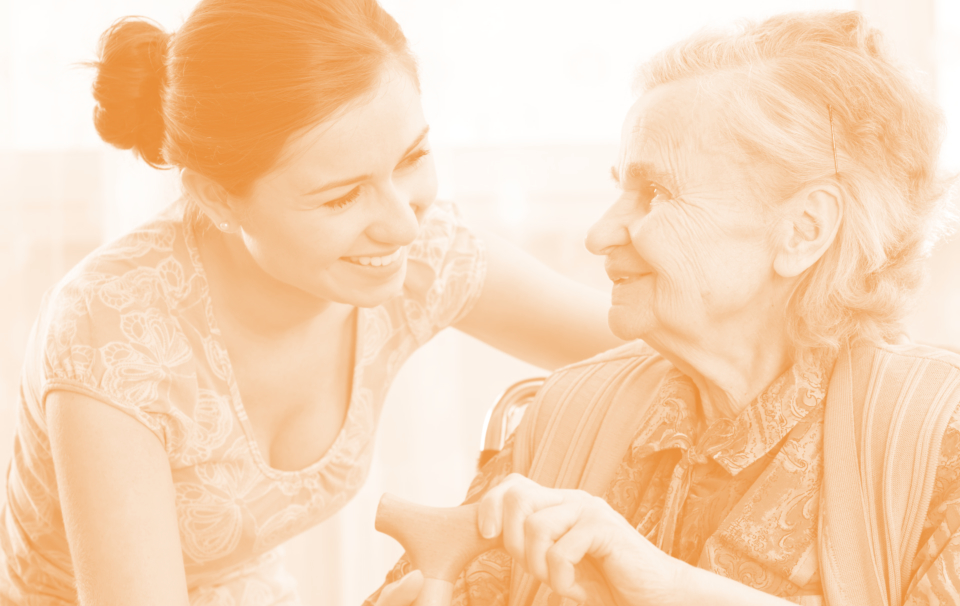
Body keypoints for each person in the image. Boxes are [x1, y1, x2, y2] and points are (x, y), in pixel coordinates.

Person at [0, 1, 624, 604]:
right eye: (340, 198)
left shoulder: (421, 255)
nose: (402, 227)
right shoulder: (112, 335)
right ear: (217, 199)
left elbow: (652, 340)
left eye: (412, 158)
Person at [367, 10, 960, 606]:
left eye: (657, 193)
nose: (600, 234)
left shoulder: (939, 438)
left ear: (804, 230)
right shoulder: (567, 412)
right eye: (620, 189)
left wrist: (667, 587)